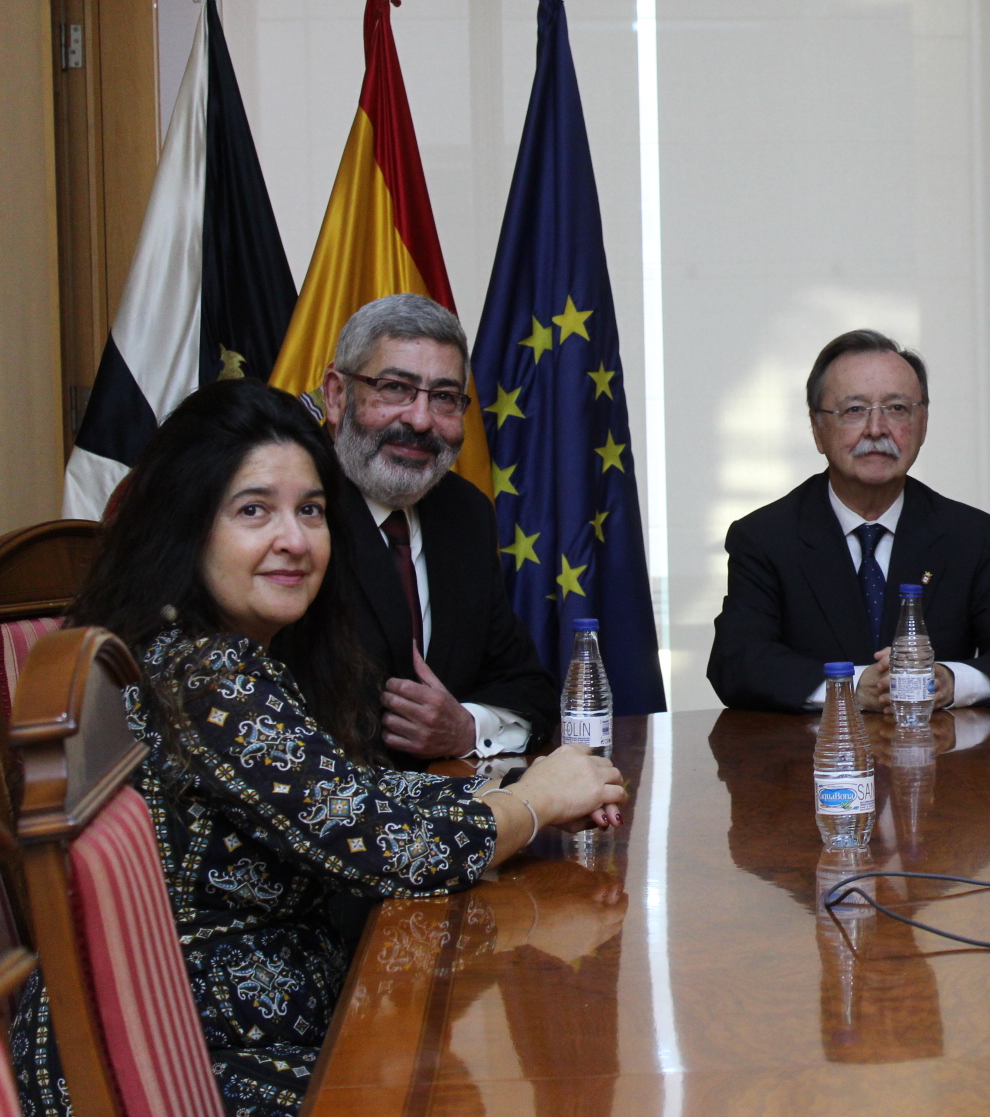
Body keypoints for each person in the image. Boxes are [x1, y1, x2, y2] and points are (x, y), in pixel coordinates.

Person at [10, 379, 624, 1116]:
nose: (294, 540)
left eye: (311, 510)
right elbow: (379, 842)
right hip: (186, 1063)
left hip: (234, 1032)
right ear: (186, 526)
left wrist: (503, 797)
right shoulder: (207, 675)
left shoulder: (221, 654)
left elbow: (348, 794)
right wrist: (532, 802)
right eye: (252, 510)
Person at [709, 329, 990, 713]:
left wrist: (949, 681)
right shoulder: (765, 537)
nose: (876, 430)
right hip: (810, 764)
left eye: (897, 409)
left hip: (940, 764)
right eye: (854, 410)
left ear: (923, 422)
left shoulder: (969, 535)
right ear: (817, 428)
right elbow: (737, 661)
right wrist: (851, 687)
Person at [320, 294, 555, 762]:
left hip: (454, 810)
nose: (421, 420)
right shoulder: (297, 512)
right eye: (394, 388)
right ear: (336, 394)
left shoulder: (464, 514)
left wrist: (467, 727)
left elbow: (529, 688)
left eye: (445, 398)